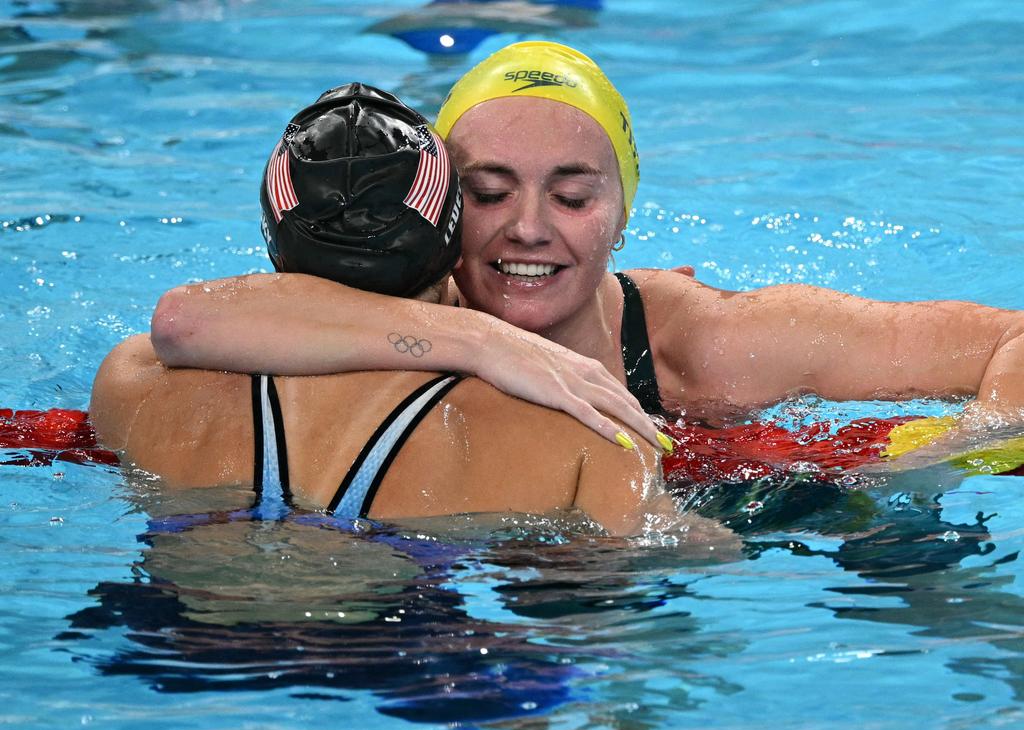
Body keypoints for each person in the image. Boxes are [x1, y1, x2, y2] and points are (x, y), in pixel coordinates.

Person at [150, 41, 1024, 449]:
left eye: (571, 196)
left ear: (620, 214)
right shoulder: (396, 305)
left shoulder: (709, 346)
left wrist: (957, 450)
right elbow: (188, 321)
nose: (529, 226)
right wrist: (483, 343)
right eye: (489, 192)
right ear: (439, 204)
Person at [90, 83, 730, 544]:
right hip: (408, 660)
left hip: (182, 645)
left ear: (273, 235)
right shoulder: (583, 441)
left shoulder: (132, 385)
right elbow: (666, 559)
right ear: (450, 238)